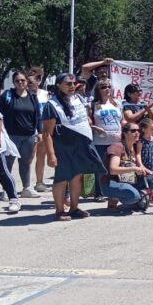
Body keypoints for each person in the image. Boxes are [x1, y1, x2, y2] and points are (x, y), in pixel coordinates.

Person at [41, 73, 106, 221]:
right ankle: (59, 210)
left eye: (73, 83)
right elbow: (47, 133)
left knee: (77, 177)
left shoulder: (78, 99)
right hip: (63, 146)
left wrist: (94, 128)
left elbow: (83, 120)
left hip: (81, 144)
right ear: (58, 86)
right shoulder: (52, 105)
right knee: (62, 178)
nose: (72, 86)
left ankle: (74, 207)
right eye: (68, 83)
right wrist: (51, 154)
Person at [0, 70, 41, 198]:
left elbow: (37, 115)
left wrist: (40, 132)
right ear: (14, 82)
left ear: (27, 82)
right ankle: (7, 190)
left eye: (23, 80)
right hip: (11, 136)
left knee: (26, 163)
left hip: (29, 136)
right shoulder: (7, 95)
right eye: (17, 80)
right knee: (8, 163)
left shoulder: (32, 96)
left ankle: (26, 188)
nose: (20, 82)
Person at [101, 122, 152, 211]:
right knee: (134, 196)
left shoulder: (133, 147)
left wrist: (145, 170)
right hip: (110, 183)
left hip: (126, 180)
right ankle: (116, 197)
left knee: (152, 177)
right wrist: (134, 168)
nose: (137, 133)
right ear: (125, 133)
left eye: (138, 130)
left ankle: (136, 198)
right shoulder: (117, 147)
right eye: (133, 131)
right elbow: (113, 169)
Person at [88, 79, 124, 202]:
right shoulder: (93, 104)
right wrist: (95, 127)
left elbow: (121, 120)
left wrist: (125, 130)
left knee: (114, 167)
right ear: (98, 90)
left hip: (115, 140)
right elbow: (89, 120)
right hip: (100, 141)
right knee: (101, 167)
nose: (107, 89)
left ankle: (114, 192)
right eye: (103, 87)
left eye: (109, 86)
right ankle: (99, 192)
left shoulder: (117, 103)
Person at [27, 69, 51, 193]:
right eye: (28, 81)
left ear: (38, 81)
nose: (29, 84)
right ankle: (26, 184)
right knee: (29, 157)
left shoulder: (45, 94)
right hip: (30, 128)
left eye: (31, 81)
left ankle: (39, 182)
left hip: (44, 128)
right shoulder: (25, 94)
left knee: (41, 156)